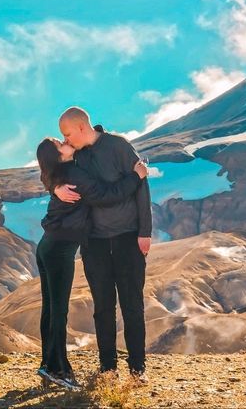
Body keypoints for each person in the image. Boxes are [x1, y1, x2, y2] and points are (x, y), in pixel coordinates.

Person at [35, 136, 148, 389]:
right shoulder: (72, 173)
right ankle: (58, 370)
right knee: (58, 311)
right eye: (60, 142)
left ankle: (47, 365)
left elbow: (46, 173)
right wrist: (136, 176)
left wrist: (53, 186)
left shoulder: (61, 172)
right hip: (59, 250)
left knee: (51, 309)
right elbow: (106, 195)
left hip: (48, 246)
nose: (65, 141)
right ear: (59, 156)